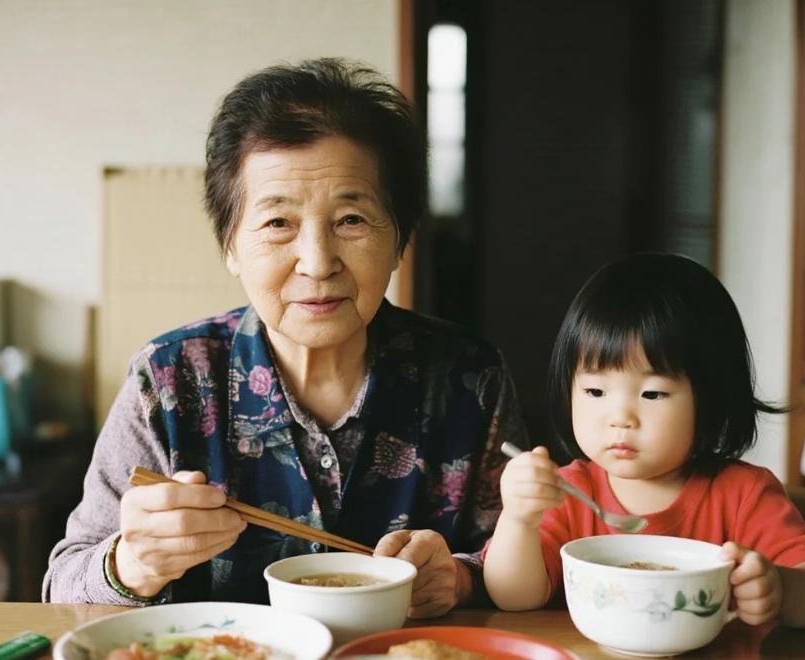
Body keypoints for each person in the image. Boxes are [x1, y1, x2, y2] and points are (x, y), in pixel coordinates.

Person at [43, 58, 528, 615]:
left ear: (399, 241)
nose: (318, 263)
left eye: (351, 220)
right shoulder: (170, 378)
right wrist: (134, 563)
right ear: (230, 246)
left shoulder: (471, 377)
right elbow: (62, 586)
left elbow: (530, 565)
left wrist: (459, 579)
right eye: (278, 223)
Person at [483, 253, 805, 627]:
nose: (620, 418)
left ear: (714, 397)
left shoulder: (745, 495)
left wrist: (780, 587)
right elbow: (513, 597)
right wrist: (519, 520)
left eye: (652, 394)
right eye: (595, 391)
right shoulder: (566, 493)